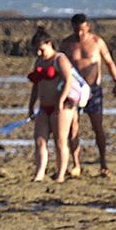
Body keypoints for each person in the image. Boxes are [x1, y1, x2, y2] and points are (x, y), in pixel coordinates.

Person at [59, 14, 116, 176]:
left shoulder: (96, 42)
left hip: (94, 90)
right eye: (76, 30)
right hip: (74, 90)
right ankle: (76, 164)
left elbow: (109, 62)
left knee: (97, 126)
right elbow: (60, 66)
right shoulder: (67, 44)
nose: (79, 34)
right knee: (73, 128)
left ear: (87, 27)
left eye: (82, 30)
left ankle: (103, 162)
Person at [24, 29, 82, 183]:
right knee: (39, 139)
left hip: (62, 108)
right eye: (36, 49)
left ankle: (61, 174)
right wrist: (31, 106)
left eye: (41, 49)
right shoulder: (39, 62)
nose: (38, 52)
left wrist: (61, 101)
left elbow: (68, 80)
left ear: (49, 44)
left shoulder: (60, 59)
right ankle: (39, 173)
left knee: (60, 141)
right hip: (44, 106)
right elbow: (36, 86)